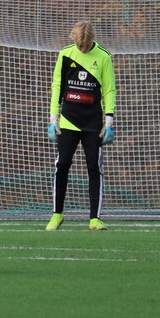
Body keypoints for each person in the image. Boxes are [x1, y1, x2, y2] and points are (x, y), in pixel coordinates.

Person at [46, 21, 116, 231]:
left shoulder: (103, 56)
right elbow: (57, 86)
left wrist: (109, 122)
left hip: (93, 122)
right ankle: (57, 214)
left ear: (92, 40)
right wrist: (53, 120)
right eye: (79, 46)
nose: (82, 49)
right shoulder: (65, 55)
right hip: (68, 120)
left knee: (94, 168)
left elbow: (109, 90)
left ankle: (95, 218)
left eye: (85, 46)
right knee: (62, 165)